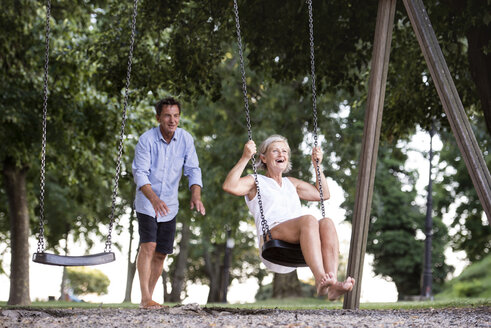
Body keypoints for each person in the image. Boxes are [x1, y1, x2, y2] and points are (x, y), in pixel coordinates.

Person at [222, 135, 354, 300]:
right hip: (272, 240)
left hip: (298, 240)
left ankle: (332, 283)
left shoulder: (291, 183)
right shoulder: (256, 181)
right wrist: (245, 157)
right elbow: (229, 186)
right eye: (275, 151)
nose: (281, 154)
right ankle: (320, 280)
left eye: (284, 151)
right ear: (263, 157)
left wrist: (317, 166)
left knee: (327, 222)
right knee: (309, 219)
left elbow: (323, 194)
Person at [132, 97, 206, 309]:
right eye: (167, 115)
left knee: (162, 252)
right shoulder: (146, 140)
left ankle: (150, 298)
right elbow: (140, 174)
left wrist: (196, 195)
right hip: (147, 202)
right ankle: (145, 298)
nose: (172, 120)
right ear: (158, 117)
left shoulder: (185, 139)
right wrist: (154, 199)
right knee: (149, 245)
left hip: (170, 206)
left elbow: (193, 170)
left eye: (175, 116)